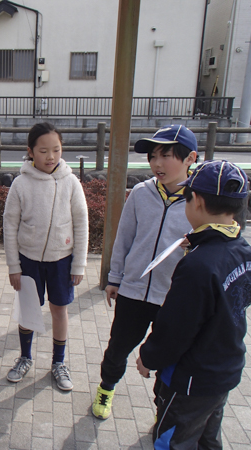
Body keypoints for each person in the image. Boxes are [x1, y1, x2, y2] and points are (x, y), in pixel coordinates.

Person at [137, 160, 251, 448]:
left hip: (190, 379)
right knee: (207, 436)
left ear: (198, 201)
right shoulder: (248, 254)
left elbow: (176, 327)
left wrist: (149, 356)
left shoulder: (198, 266)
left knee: (173, 440)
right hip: (225, 371)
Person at [92, 124, 198, 419]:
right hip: (134, 291)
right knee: (118, 348)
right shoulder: (141, 192)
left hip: (172, 297)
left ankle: (161, 408)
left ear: (190, 158)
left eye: (166, 155)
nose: (156, 163)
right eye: (153, 156)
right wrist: (115, 279)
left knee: (167, 356)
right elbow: (124, 237)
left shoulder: (199, 200)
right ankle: (106, 388)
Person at [3, 122, 88, 391]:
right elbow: (9, 225)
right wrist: (13, 266)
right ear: (30, 152)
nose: (50, 156)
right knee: (28, 311)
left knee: (59, 310)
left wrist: (80, 263)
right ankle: (25, 357)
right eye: (43, 151)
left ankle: (58, 363)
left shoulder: (71, 182)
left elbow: (81, 223)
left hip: (62, 260)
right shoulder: (20, 184)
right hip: (28, 260)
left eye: (56, 150)